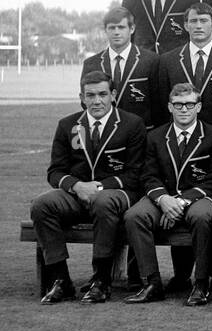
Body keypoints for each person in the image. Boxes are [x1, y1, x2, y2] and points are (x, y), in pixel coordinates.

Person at [32, 71, 146, 305]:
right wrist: (77, 186)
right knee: (42, 205)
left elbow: (136, 174)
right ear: (82, 97)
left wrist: (98, 188)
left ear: (113, 95)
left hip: (118, 195)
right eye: (90, 95)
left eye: (103, 94)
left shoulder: (132, 124)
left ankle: (101, 281)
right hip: (77, 195)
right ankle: (61, 281)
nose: (97, 101)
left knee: (102, 201)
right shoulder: (68, 125)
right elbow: (55, 172)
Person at [121, 82, 212, 305]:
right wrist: (164, 199)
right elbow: (148, 176)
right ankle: (152, 283)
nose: (184, 109)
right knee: (134, 215)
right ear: (169, 107)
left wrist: (180, 202)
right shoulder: (155, 136)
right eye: (178, 104)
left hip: (200, 196)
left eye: (189, 104)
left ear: (199, 107)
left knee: (200, 215)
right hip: (163, 197)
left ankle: (201, 283)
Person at [157, 2, 212, 129]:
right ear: (186, 26)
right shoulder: (168, 60)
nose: (198, 26)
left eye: (203, 21)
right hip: (181, 132)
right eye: (193, 21)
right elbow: (163, 102)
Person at [81, 6, 161, 127]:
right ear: (105, 30)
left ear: (132, 29)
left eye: (121, 27)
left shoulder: (151, 60)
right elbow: (86, 101)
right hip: (106, 133)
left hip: (143, 132)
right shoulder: (91, 63)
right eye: (112, 28)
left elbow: (158, 102)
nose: (116, 32)